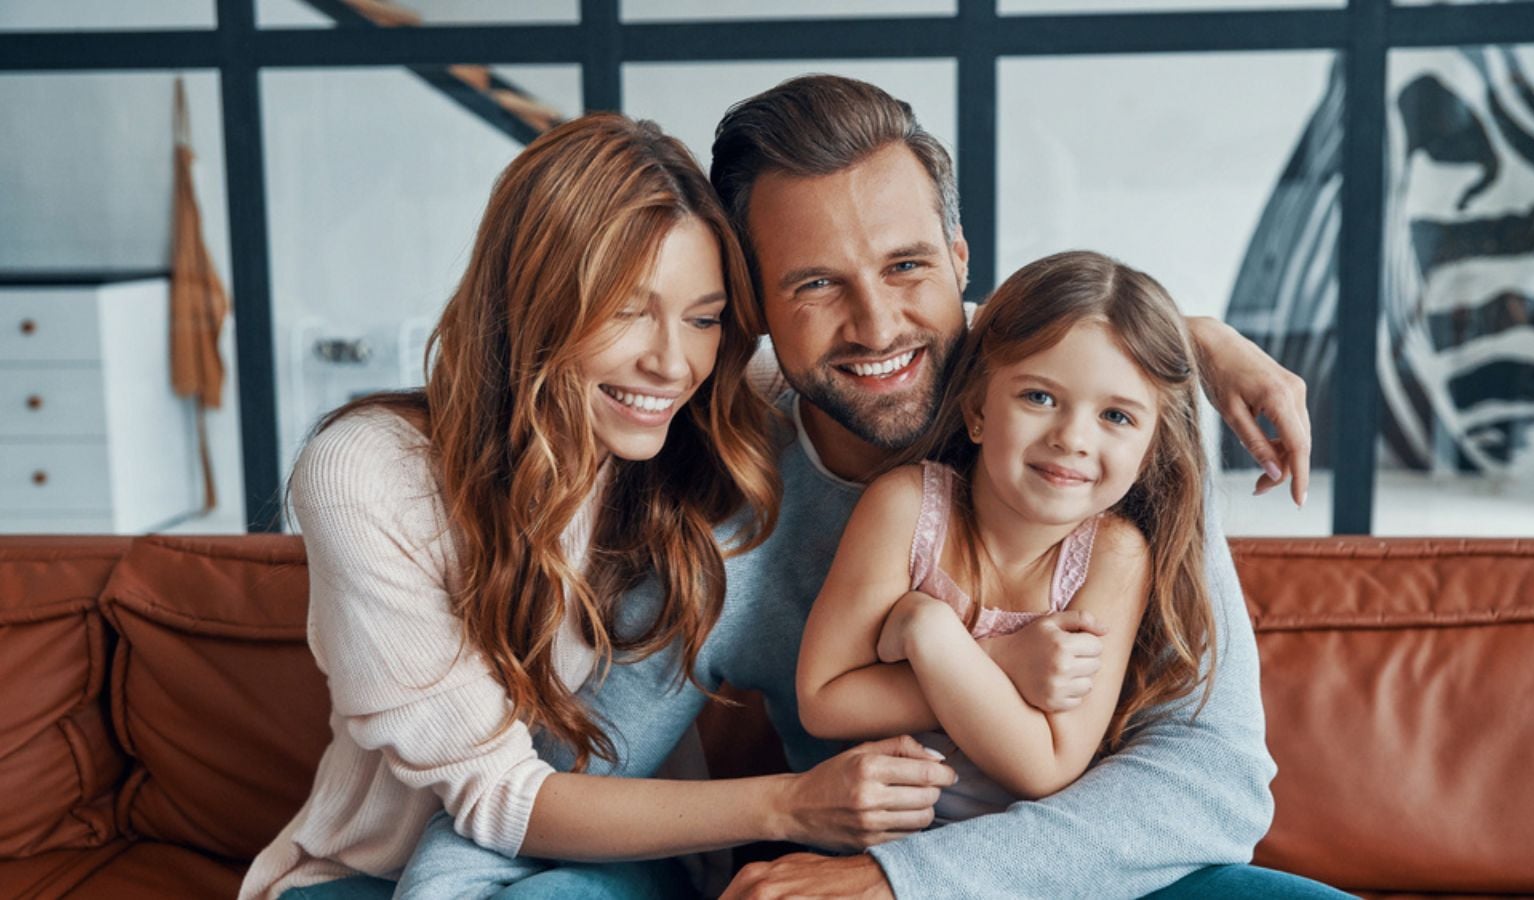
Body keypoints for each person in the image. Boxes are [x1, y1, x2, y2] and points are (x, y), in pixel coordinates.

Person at [400, 76, 1344, 899]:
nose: (876, 324)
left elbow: (1211, 779)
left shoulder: (1110, 444)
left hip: (1086, 875)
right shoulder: (727, 497)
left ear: (963, 257)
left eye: (907, 266)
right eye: (814, 285)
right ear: (753, 308)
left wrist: (905, 884)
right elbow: (564, 768)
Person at [239, 113, 958, 900]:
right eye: (625, 308)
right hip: (382, 868)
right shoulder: (369, 474)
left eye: (705, 317)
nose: (671, 362)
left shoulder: (704, 426)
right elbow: (497, 795)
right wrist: (792, 806)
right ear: (532, 303)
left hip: (617, 849)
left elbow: (896, 361)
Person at [797, 249, 1217, 827]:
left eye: (1116, 417)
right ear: (977, 410)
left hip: (1041, 865)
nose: (1072, 438)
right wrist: (1000, 660)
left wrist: (931, 632)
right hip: (889, 855)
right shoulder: (907, 507)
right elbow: (822, 701)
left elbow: (1046, 766)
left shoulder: (1112, 556)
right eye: (1039, 397)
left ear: (1149, 452)